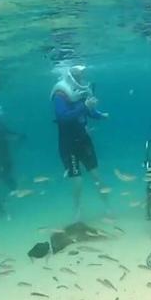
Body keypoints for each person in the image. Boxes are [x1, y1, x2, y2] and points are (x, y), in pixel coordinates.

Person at [51, 65, 110, 219]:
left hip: (84, 142)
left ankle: (107, 207)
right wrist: (85, 107)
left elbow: (89, 111)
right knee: (77, 181)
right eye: (78, 75)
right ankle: (77, 211)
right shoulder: (60, 95)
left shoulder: (82, 92)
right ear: (70, 76)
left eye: (82, 75)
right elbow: (63, 117)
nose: (82, 78)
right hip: (68, 145)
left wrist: (99, 115)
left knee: (96, 176)